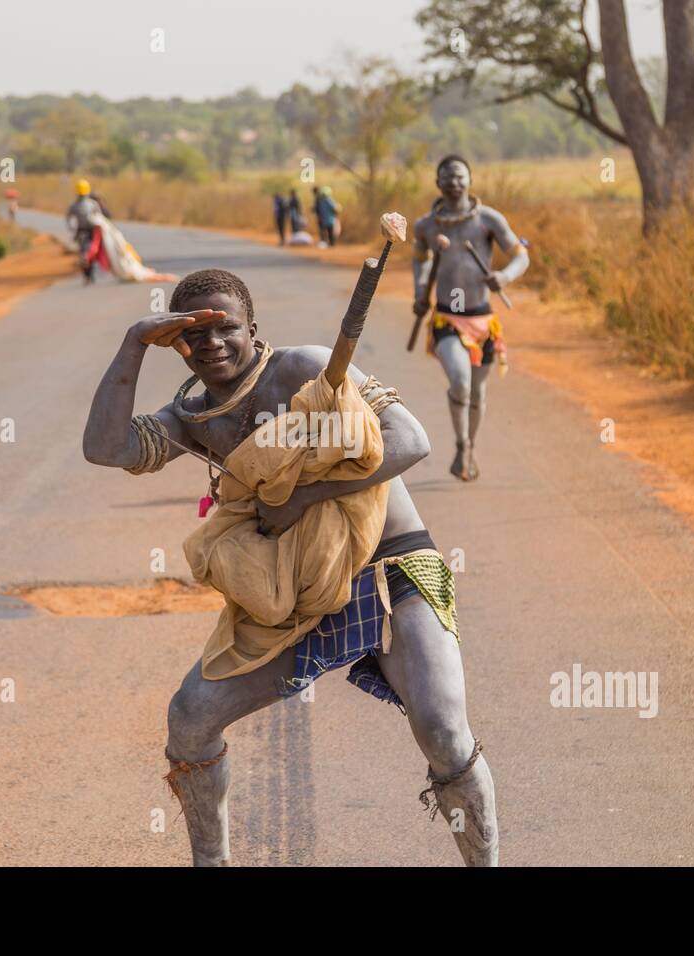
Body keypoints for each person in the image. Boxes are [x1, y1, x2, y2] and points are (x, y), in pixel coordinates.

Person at [81, 268, 498, 866]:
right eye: (193, 336)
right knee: (191, 716)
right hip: (292, 596)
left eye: (226, 328)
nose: (213, 344)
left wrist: (305, 495)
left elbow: (410, 439)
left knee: (443, 733)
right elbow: (106, 448)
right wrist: (131, 343)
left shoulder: (306, 371)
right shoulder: (194, 422)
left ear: (253, 327)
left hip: (391, 567)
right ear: (176, 345)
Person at [411, 155, 530, 481]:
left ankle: (468, 448)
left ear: (470, 180)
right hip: (447, 320)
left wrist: (504, 277)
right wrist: (421, 291)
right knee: (461, 382)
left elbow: (521, 255)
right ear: (438, 182)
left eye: (460, 176)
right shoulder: (427, 226)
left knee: (478, 394)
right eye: (447, 177)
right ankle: (461, 440)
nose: (454, 182)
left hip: (483, 321)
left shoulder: (488, 220)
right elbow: (420, 261)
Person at [67, 179, 175, 284]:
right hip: (91, 232)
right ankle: (88, 268)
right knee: (93, 251)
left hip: (88, 233)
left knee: (90, 251)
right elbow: (102, 217)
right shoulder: (92, 204)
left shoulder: (75, 205)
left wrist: (74, 232)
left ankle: (88, 271)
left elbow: (72, 220)